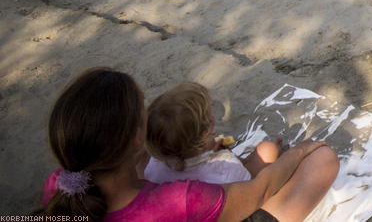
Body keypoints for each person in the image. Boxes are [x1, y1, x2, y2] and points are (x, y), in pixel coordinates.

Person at [39, 68, 339, 222]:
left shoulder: (60, 185)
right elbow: (257, 190)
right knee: (323, 160)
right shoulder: (177, 200)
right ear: (135, 139)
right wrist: (301, 151)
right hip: (231, 199)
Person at [144, 81, 280, 185]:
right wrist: (229, 156)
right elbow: (247, 186)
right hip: (235, 193)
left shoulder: (155, 166)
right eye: (209, 115)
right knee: (268, 149)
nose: (214, 118)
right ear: (202, 135)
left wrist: (210, 151)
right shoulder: (224, 167)